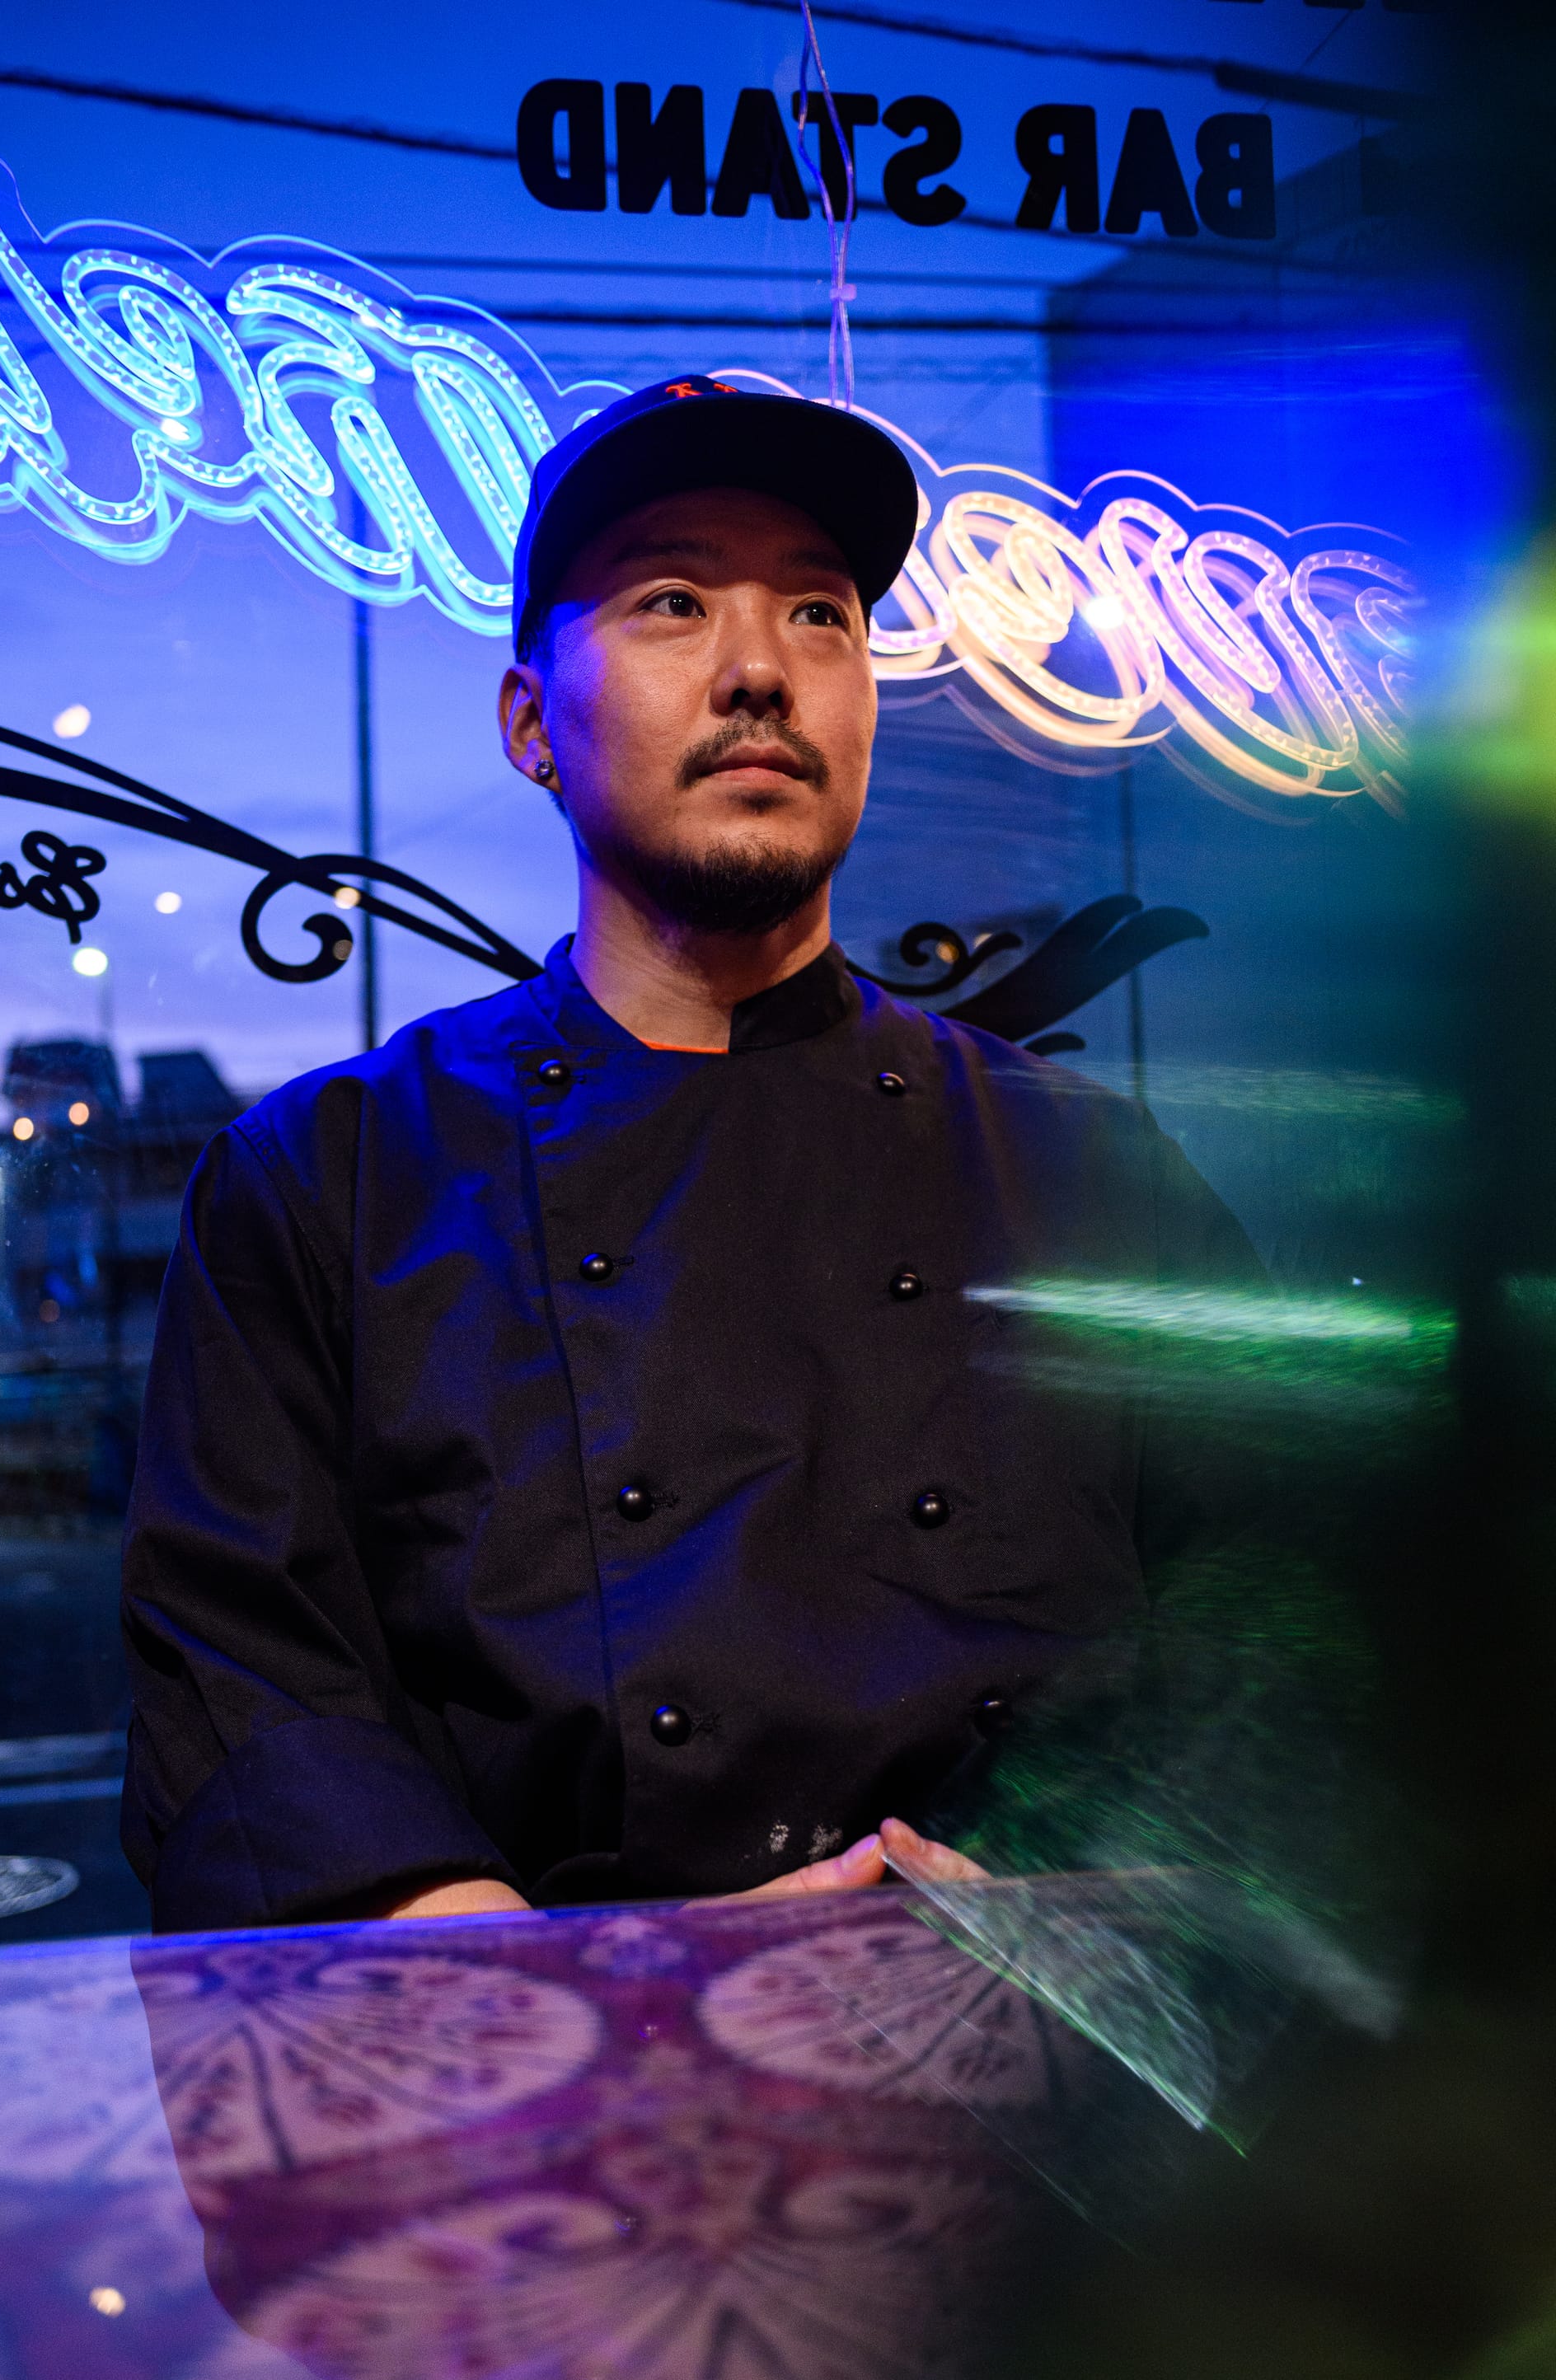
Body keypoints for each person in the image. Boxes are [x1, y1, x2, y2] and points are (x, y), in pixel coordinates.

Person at [120, 375, 1258, 1933]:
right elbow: (243, 1676)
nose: (760, 671)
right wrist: (585, 2002)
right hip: (542, 2053)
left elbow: (1292, 1611)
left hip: (1044, 2029)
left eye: (820, 615)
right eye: (671, 601)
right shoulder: (328, 1179)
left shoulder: (1093, 1173)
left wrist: (1076, 1920)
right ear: (532, 723)